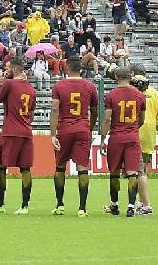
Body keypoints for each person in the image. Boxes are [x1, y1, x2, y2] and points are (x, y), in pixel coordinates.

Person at [0, 58, 36, 214]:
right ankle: (25, 206)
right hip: (27, 132)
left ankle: (0, 205)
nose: (4, 71)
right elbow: (32, 115)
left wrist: (0, 83)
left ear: (14, 69)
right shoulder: (31, 89)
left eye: (6, 68)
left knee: (1, 167)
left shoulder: (8, 84)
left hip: (10, 131)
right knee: (25, 169)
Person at [50, 65, 99, 216]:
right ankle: (82, 208)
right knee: (82, 167)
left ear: (67, 69)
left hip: (64, 129)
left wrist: (53, 134)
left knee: (60, 167)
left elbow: (54, 110)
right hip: (83, 129)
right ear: (81, 70)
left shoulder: (59, 86)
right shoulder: (90, 86)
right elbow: (95, 110)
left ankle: (60, 205)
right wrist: (89, 128)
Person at [101, 67, 147, 216]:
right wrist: (133, 128)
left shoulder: (111, 95)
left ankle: (114, 205)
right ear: (131, 76)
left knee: (114, 173)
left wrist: (102, 138)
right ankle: (130, 207)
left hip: (116, 137)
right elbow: (142, 119)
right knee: (133, 172)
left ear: (116, 76)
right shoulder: (140, 95)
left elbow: (107, 119)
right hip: (132, 137)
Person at [132, 72, 158, 216]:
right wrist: (152, 119)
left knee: (133, 171)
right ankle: (141, 201)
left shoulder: (131, 90)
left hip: (131, 132)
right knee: (142, 168)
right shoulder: (153, 91)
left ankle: (139, 202)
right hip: (148, 133)